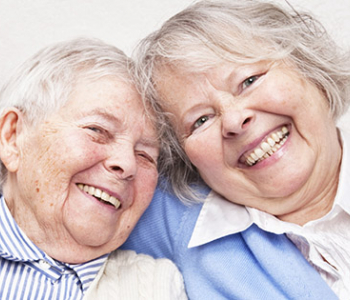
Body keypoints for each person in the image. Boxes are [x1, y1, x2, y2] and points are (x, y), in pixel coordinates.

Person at [122, 0, 350, 298]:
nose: (233, 120)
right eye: (200, 120)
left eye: (249, 81)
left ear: (310, 70)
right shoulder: (177, 222)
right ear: (186, 159)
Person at [0, 37, 186, 299]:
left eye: (145, 155)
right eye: (97, 130)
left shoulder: (158, 286)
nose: (126, 164)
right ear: (12, 137)